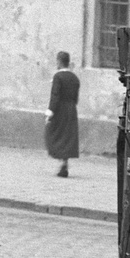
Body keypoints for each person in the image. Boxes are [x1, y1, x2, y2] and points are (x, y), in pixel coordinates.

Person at [45, 49, 80, 177]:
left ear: (59, 62)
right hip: (71, 109)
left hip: (59, 109)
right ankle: (64, 163)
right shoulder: (74, 78)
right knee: (67, 136)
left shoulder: (58, 77)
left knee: (53, 133)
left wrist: (50, 112)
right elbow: (76, 98)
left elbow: (55, 95)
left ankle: (61, 162)